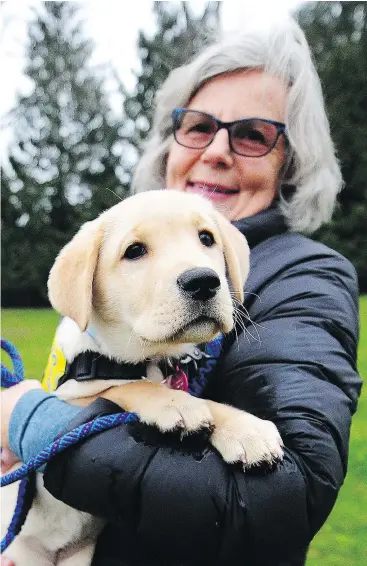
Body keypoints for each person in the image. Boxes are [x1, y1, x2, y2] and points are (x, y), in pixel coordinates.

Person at [1, 17, 362, 566]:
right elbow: (85, 384)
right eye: (198, 126)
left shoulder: (303, 279)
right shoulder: (97, 279)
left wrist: (29, 420)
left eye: (252, 134)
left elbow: (283, 496)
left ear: (291, 160)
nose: (217, 149)